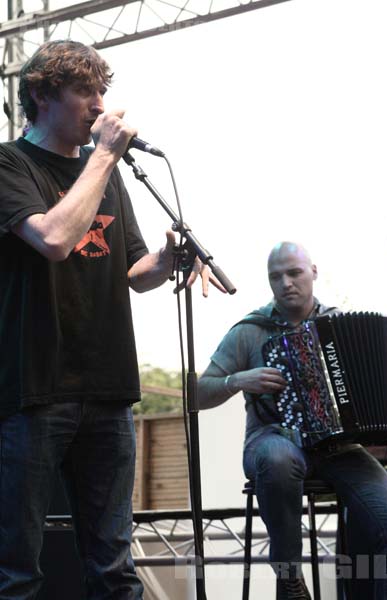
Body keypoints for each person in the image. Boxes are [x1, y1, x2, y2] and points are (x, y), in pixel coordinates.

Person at [0, 40, 223, 599]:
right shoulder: (10, 164)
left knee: (115, 570)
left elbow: (134, 271)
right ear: (42, 96)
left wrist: (169, 260)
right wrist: (102, 157)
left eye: (102, 90)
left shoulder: (111, 177)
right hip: (34, 391)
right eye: (84, 91)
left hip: (108, 390)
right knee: (17, 574)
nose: (100, 104)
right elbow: (52, 238)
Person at [198, 241, 387, 600]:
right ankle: (289, 577)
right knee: (277, 459)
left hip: (338, 449)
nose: (286, 282)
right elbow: (196, 393)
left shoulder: (338, 322)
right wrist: (237, 380)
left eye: (294, 273)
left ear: (314, 273)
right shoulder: (249, 330)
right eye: (276, 276)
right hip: (272, 438)